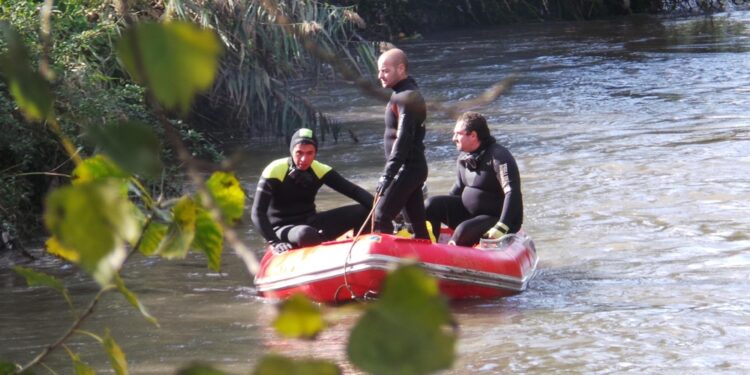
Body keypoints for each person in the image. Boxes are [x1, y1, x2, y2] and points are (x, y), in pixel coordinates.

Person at [251, 128, 374, 253]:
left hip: (310, 221)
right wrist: (274, 241)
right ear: (291, 151)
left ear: (315, 153)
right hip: (282, 229)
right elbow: (257, 212)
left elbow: (354, 191)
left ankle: (362, 253)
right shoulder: (275, 170)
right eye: (299, 153)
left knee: (365, 211)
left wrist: (382, 210)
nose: (304, 159)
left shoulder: (319, 169)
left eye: (310, 153)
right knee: (305, 234)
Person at [425, 112, 523, 246]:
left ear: (473, 135)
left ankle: (454, 253)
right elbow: (457, 191)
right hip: (470, 215)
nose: (453, 138)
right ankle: (428, 248)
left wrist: (502, 225)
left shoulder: (499, 157)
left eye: (458, 134)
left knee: (462, 230)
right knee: (430, 205)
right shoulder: (464, 157)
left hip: (495, 219)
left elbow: (512, 192)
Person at [372, 48, 430, 240]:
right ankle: (426, 259)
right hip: (408, 169)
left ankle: (387, 266)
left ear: (401, 68)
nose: (380, 75)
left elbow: (403, 139)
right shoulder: (401, 93)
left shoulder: (408, 96)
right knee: (417, 226)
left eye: (385, 70)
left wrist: (387, 175)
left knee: (380, 217)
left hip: (408, 169)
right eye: (379, 70)